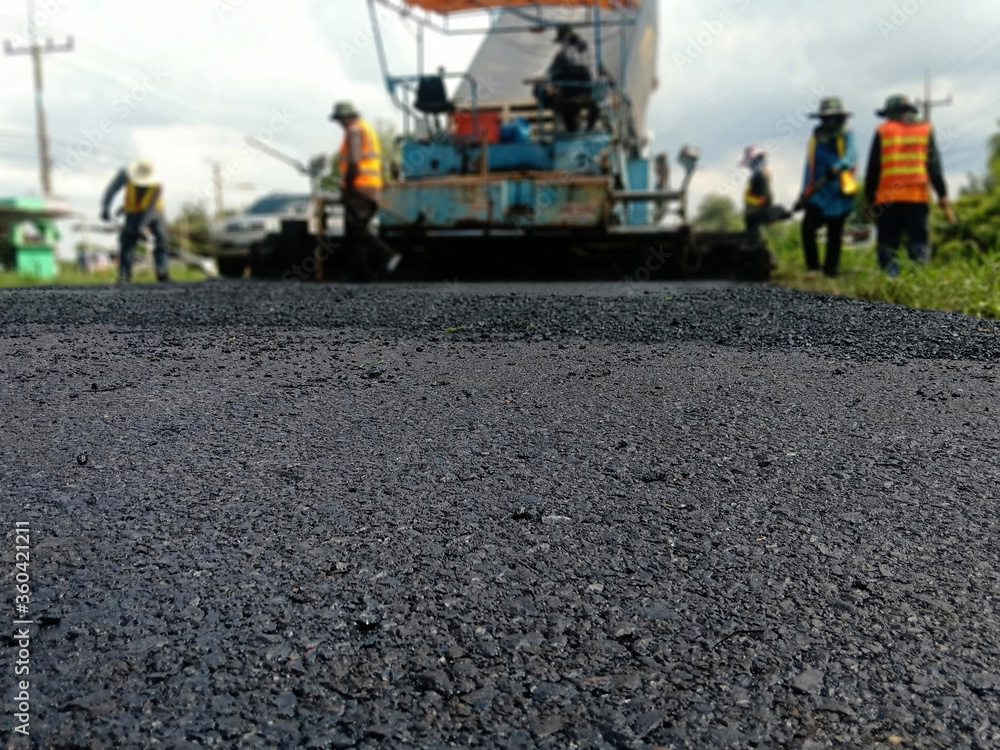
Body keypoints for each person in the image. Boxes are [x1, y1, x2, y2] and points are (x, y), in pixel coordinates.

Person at [864, 94, 951, 276]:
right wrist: (942, 194)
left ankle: (891, 278)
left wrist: (869, 200)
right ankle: (918, 279)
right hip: (916, 197)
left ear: (890, 113)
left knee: (888, 243)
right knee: (918, 241)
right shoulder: (924, 129)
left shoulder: (883, 130)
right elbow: (934, 166)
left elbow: (873, 169)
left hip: (888, 197)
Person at [330, 100, 401, 282]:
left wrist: (348, 184)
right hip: (372, 186)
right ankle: (362, 275)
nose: (339, 123)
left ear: (347, 117)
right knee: (356, 231)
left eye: (340, 119)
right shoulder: (366, 129)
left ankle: (387, 254)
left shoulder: (354, 131)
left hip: (360, 188)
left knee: (356, 229)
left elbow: (354, 162)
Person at [798, 96, 858, 278]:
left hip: (838, 191)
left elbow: (851, 155)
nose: (830, 121)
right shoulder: (815, 138)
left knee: (834, 233)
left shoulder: (846, 134)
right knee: (808, 228)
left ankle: (830, 270)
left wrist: (838, 167)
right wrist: (804, 192)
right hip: (817, 192)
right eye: (826, 117)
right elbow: (809, 165)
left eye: (833, 117)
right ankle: (813, 268)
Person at [101, 158, 170, 283]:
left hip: (155, 211)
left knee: (161, 240)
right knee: (127, 241)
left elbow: (150, 208)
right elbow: (111, 190)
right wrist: (105, 208)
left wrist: (141, 227)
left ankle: (162, 272)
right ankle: (124, 274)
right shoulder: (125, 173)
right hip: (133, 211)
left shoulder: (157, 182)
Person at [537, 24, 597, 133]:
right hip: (588, 95)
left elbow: (552, 76)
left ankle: (571, 131)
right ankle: (589, 129)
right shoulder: (590, 51)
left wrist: (548, 80)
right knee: (594, 103)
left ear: (563, 40)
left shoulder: (562, 56)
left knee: (558, 102)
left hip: (569, 97)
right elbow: (594, 73)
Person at [741, 146, 775, 235]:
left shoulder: (761, 174)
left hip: (755, 214)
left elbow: (766, 197)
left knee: (753, 238)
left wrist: (752, 200)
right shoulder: (758, 173)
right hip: (753, 213)